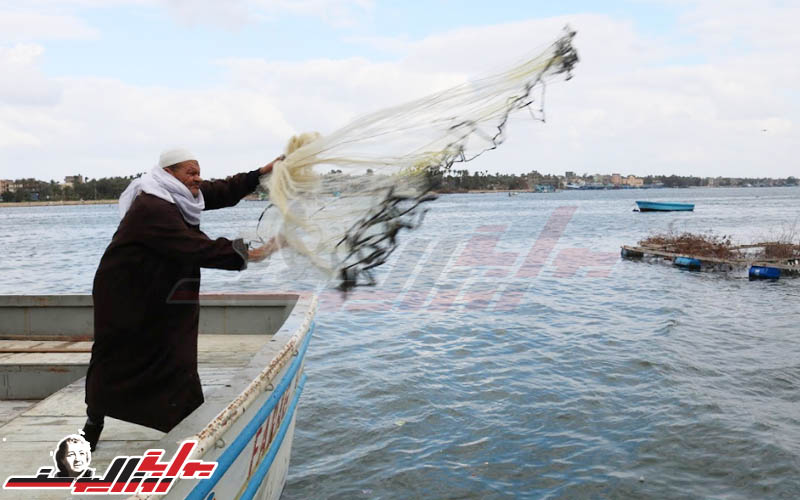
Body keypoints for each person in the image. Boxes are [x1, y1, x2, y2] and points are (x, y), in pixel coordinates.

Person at [83, 149, 284, 451]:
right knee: (114, 357)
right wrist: (251, 253)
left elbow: (221, 190)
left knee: (176, 357)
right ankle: (93, 424)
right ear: (169, 173)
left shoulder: (178, 194)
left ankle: (187, 426)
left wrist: (261, 173)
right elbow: (195, 247)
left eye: (198, 172)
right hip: (125, 294)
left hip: (160, 289)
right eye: (191, 172)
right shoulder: (152, 206)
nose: (197, 179)